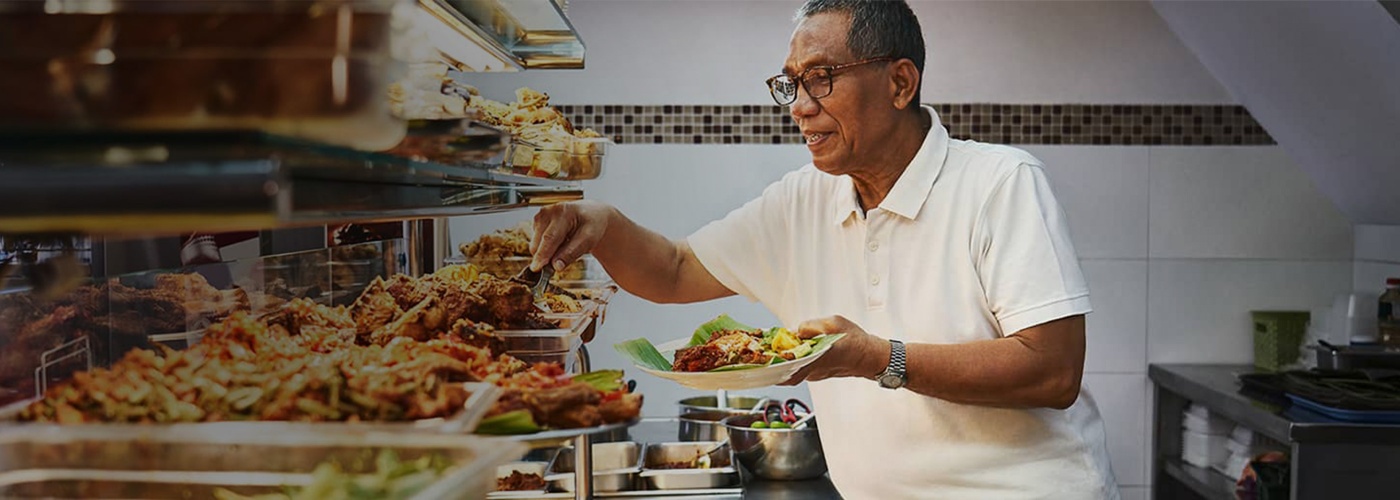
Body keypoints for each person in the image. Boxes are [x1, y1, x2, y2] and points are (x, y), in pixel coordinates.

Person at [528, 0, 1118, 497]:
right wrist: (602, 224)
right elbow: (675, 271)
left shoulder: (1000, 182)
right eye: (792, 83)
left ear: (900, 82)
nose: (800, 106)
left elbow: (1052, 370)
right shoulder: (801, 200)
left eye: (821, 78)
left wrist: (874, 357)